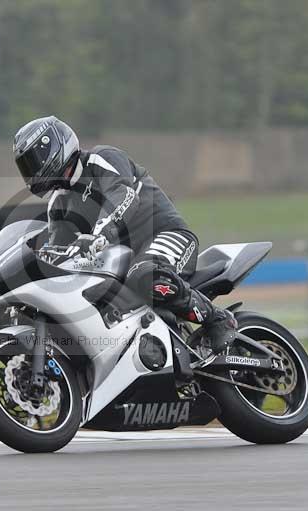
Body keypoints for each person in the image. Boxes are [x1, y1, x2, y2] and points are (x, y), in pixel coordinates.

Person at [12, 116, 237, 355]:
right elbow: (59, 256)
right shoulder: (58, 205)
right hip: (123, 266)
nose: (32, 170)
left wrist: (99, 234)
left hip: (167, 234)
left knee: (145, 275)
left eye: (33, 161)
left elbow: (125, 197)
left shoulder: (101, 159)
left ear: (54, 146)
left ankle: (219, 319)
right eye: (25, 166)